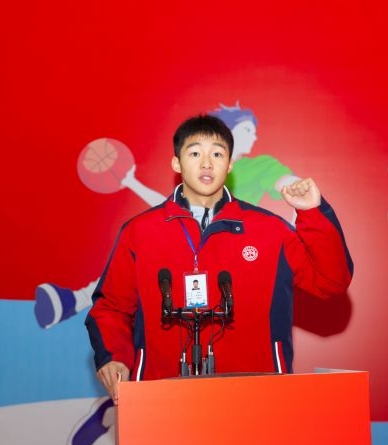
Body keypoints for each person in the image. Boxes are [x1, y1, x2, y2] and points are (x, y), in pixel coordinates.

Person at [86, 114, 353, 397]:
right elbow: (111, 308)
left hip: (256, 397)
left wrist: (313, 212)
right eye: (195, 153)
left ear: (229, 165)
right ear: (176, 163)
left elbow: (330, 282)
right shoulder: (140, 232)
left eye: (217, 153)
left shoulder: (270, 230)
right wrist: (114, 356)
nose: (206, 163)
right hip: (161, 399)